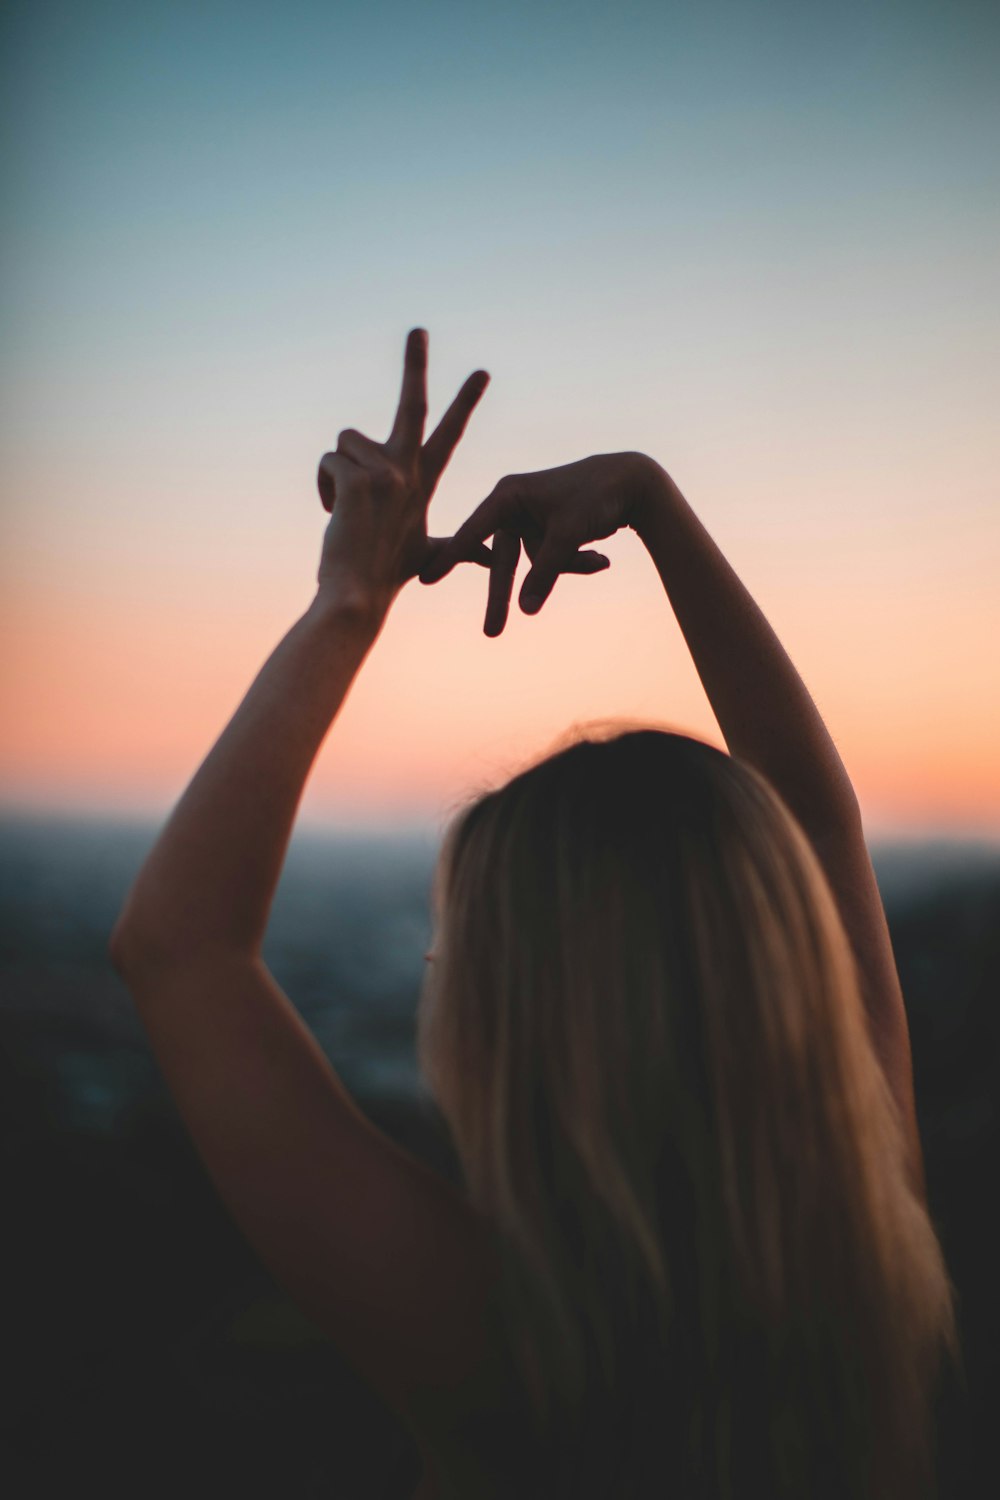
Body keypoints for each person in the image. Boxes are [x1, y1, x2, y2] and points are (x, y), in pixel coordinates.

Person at [110, 329, 957, 1499]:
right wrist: (654, 501)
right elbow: (812, 817)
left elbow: (178, 948)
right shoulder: (874, 1254)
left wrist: (350, 600)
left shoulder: (493, 1335)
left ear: (541, 1018)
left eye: (462, 948)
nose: (431, 961)